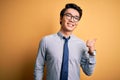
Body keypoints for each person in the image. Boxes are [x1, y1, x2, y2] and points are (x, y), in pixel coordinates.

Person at [34, 3, 96, 80]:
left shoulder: (81, 44)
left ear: (77, 22)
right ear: (61, 18)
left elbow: (88, 72)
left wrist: (91, 53)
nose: (72, 20)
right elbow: (39, 67)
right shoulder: (46, 41)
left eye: (76, 18)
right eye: (68, 15)